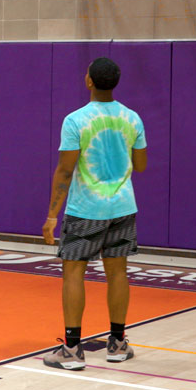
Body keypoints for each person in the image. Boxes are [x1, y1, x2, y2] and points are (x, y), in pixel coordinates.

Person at [41, 57, 147, 370]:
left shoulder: (75, 120)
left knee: (74, 272)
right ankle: (117, 343)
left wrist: (51, 216)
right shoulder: (132, 118)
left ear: (89, 81)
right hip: (123, 207)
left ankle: (73, 350)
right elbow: (140, 165)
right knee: (118, 272)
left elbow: (64, 170)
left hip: (86, 209)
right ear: (114, 82)